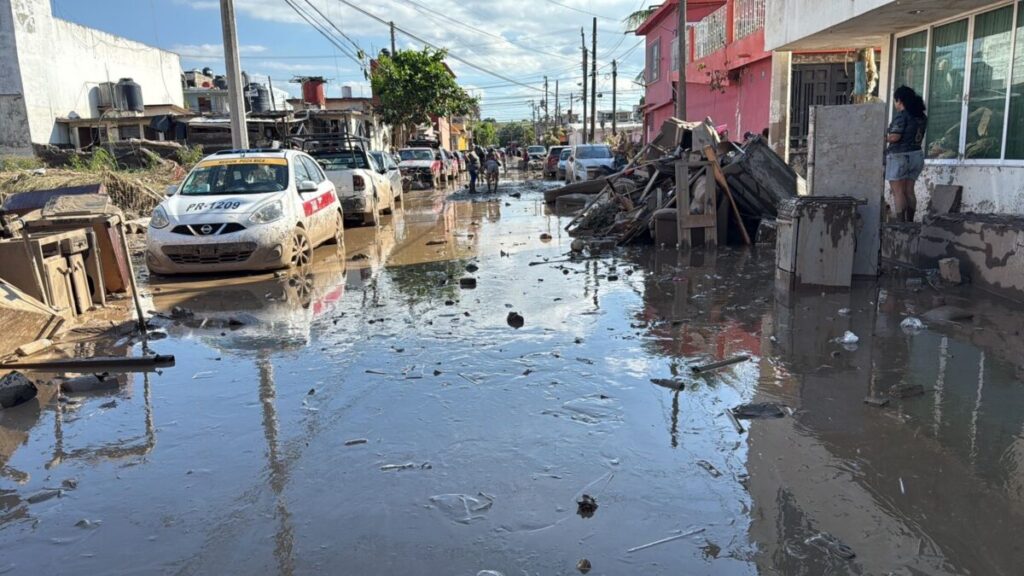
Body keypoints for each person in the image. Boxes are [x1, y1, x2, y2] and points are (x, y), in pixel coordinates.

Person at [886, 85, 928, 222]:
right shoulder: (921, 117)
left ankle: (900, 225)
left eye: (895, 100)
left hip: (899, 156)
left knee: (898, 192)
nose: (895, 104)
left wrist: (882, 137)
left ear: (900, 100)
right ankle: (910, 223)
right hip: (917, 155)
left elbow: (895, 137)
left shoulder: (902, 116)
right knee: (909, 190)